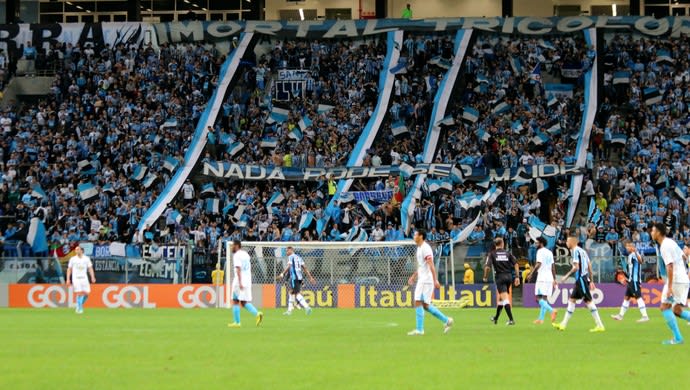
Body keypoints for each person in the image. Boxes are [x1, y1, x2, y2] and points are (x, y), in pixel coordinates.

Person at [553, 235, 605, 332]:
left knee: (588, 301)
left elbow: (576, 267)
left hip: (581, 279)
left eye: (568, 241)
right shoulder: (583, 251)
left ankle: (600, 325)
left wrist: (566, 276)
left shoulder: (575, 251)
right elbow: (589, 265)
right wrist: (591, 280)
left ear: (573, 242)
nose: (566, 243)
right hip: (582, 279)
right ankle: (563, 324)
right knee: (572, 300)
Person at [407, 229, 454, 336]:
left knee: (417, 301)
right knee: (426, 305)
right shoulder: (419, 248)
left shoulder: (425, 248)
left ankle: (420, 330)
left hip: (425, 280)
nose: (414, 236)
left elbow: (431, 264)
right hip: (423, 279)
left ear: (421, 236)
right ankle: (447, 320)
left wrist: (435, 279)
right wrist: (414, 276)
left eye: (415, 235)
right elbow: (422, 266)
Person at [650, 223, 690, 345]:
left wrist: (670, 287)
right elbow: (684, 256)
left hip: (676, 280)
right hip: (683, 279)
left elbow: (670, 266)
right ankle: (678, 338)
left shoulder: (664, 246)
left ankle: (678, 338)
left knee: (664, 307)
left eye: (653, 230)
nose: (651, 233)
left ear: (658, 232)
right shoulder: (671, 242)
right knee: (677, 310)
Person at [482, 238, 520, 325]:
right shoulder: (508, 253)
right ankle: (496, 318)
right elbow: (516, 264)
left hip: (500, 277)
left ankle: (511, 320)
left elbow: (487, 267)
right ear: (502, 244)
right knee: (501, 299)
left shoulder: (492, 254)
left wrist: (485, 277)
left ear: (495, 244)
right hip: (509, 277)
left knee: (505, 299)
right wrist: (517, 277)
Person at [228, 240, 264, 328]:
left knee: (235, 301)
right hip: (248, 279)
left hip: (239, 280)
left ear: (237, 246)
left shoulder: (237, 255)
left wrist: (240, 282)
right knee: (243, 302)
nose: (232, 247)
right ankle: (257, 313)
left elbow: (238, 269)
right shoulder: (246, 254)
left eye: (233, 245)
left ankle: (237, 322)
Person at [611, 241, 649, 322]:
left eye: (628, 247)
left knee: (638, 297)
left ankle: (645, 316)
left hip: (635, 281)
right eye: (626, 247)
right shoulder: (630, 255)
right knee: (626, 298)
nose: (627, 248)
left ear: (632, 247)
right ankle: (620, 315)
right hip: (631, 280)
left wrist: (635, 251)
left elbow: (641, 261)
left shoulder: (635, 254)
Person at [525, 237, 557, 324]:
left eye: (537, 243)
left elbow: (539, 263)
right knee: (544, 298)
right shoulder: (549, 252)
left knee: (538, 298)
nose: (535, 244)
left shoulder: (540, 251)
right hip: (549, 278)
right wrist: (554, 278)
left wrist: (531, 274)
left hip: (542, 278)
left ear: (541, 243)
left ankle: (552, 310)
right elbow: (553, 267)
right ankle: (541, 319)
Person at [278, 246, 316, 315]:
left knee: (296, 294)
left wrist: (282, 274)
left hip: (294, 278)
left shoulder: (291, 257)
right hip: (300, 278)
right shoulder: (299, 257)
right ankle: (289, 311)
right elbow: (305, 268)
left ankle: (307, 307)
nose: (286, 252)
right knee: (291, 292)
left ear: (291, 250)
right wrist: (310, 277)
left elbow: (289, 266)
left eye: (287, 251)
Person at [66, 245, 96, 314]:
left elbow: (90, 268)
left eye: (78, 249)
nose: (76, 251)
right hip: (76, 278)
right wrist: (68, 279)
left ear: (81, 251)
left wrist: (92, 277)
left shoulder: (86, 258)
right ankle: (80, 308)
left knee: (86, 293)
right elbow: (69, 269)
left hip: (84, 278)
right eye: (76, 250)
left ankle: (79, 305)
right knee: (79, 293)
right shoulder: (72, 259)